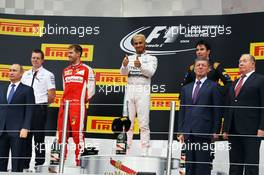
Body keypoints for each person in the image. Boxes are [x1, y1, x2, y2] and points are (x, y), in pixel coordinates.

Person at [177, 58, 222, 175]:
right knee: (189, 165)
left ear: (208, 69)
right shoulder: (186, 88)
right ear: (194, 68)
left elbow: (217, 110)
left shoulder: (214, 86)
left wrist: (216, 131)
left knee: (202, 166)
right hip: (188, 131)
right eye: (198, 65)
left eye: (203, 65)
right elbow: (182, 110)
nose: (200, 67)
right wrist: (181, 131)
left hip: (205, 131)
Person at [223, 54, 264, 175]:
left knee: (251, 164)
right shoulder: (235, 82)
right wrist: (226, 128)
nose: (240, 63)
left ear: (253, 64)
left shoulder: (261, 80)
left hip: (252, 130)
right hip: (234, 129)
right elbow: (228, 106)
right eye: (240, 61)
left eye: (244, 61)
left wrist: (262, 127)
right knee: (235, 165)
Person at [57, 44, 95, 166]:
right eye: (68, 53)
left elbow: (91, 90)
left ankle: (79, 162)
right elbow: (64, 88)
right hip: (64, 105)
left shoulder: (87, 69)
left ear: (78, 54)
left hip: (77, 107)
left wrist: (80, 102)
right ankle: (60, 160)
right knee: (61, 134)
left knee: (78, 135)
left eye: (71, 53)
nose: (68, 55)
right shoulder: (65, 70)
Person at [120, 34, 158, 155]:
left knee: (143, 122)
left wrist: (140, 66)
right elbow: (122, 73)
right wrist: (125, 65)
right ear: (133, 45)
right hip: (130, 88)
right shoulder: (129, 58)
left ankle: (145, 150)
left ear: (145, 43)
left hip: (143, 89)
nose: (138, 45)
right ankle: (126, 148)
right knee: (127, 122)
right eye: (136, 43)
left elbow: (151, 72)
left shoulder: (152, 58)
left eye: (140, 43)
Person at [21, 49, 56, 169]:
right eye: (33, 57)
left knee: (39, 138)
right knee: (25, 137)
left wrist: (42, 105)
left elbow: (52, 96)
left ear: (42, 60)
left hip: (39, 109)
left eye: (37, 58)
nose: (35, 60)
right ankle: (24, 165)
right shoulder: (25, 74)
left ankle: (39, 165)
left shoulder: (48, 74)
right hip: (26, 109)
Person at [0, 64, 35, 172]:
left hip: (18, 130)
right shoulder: (2, 88)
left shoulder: (27, 90)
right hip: (2, 130)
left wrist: (26, 127)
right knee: (1, 160)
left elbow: (30, 110)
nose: (11, 72)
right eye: (10, 70)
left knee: (17, 161)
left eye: (14, 70)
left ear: (21, 73)